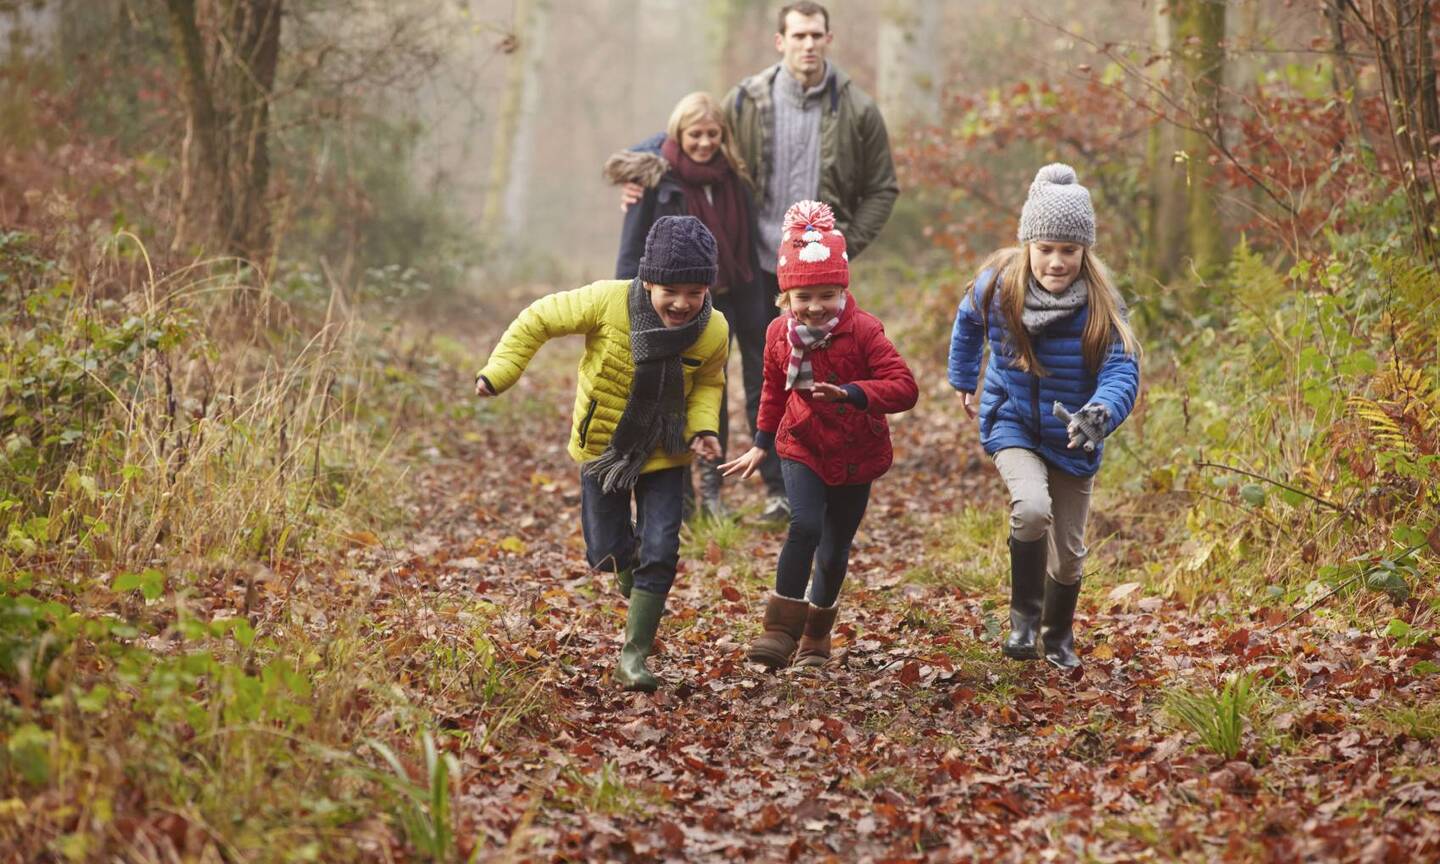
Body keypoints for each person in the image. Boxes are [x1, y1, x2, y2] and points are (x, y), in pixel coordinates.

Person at [623, 1, 900, 524]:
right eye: (798, 35)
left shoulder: (857, 109)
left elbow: (883, 187)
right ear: (781, 41)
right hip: (746, 263)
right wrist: (639, 168)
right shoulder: (747, 99)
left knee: (789, 377)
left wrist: (843, 246)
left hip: (813, 275)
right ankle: (709, 488)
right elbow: (689, 132)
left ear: (829, 39)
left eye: (816, 35)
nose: (808, 45)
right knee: (716, 371)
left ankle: (785, 488)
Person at [474, 216, 730, 692]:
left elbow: (708, 384)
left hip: (667, 454)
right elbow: (539, 319)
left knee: (662, 550)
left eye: (694, 291)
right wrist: (500, 372)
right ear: (648, 279)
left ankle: (633, 657)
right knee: (607, 553)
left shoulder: (713, 329)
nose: (682, 303)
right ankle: (639, 589)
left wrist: (702, 429)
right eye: (671, 289)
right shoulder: (606, 300)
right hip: (604, 450)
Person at [947, 164, 1141, 669]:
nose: (1056, 262)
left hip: (1075, 435)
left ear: (1085, 252)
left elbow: (1123, 369)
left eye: (1069, 251)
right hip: (1011, 419)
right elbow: (967, 321)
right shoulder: (998, 287)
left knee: (1070, 554)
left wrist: (1100, 413)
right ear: (1028, 243)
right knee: (1031, 508)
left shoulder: (1101, 303)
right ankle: (1023, 623)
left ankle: (1058, 635)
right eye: (1046, 249)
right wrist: (964, 378)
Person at [721, 201, 917, 669]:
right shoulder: (777, 335)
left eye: (827, 295)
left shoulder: (865, 331)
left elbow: (904, 387)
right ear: (785, 298)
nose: (814, 307)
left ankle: (815, 636)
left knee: (833, 551)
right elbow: (771, 389)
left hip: (856, 452)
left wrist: (852, 393)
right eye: (803, 298)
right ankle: (779, 630)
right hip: (801, 443)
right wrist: (761, 443)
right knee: (804, 525)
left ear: (843, 291)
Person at [605, 92, 767, 520]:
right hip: (668, 307)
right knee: (673, 396)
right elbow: (630, 250)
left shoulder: (733, 176)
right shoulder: (655, 178)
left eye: (713, 134)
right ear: (679, 133)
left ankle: (713, 492)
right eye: (695, 134)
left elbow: (745, 245)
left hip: (724, 301)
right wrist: (628, 306)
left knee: (714, 393)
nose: (704, 143)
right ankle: (681, 499)